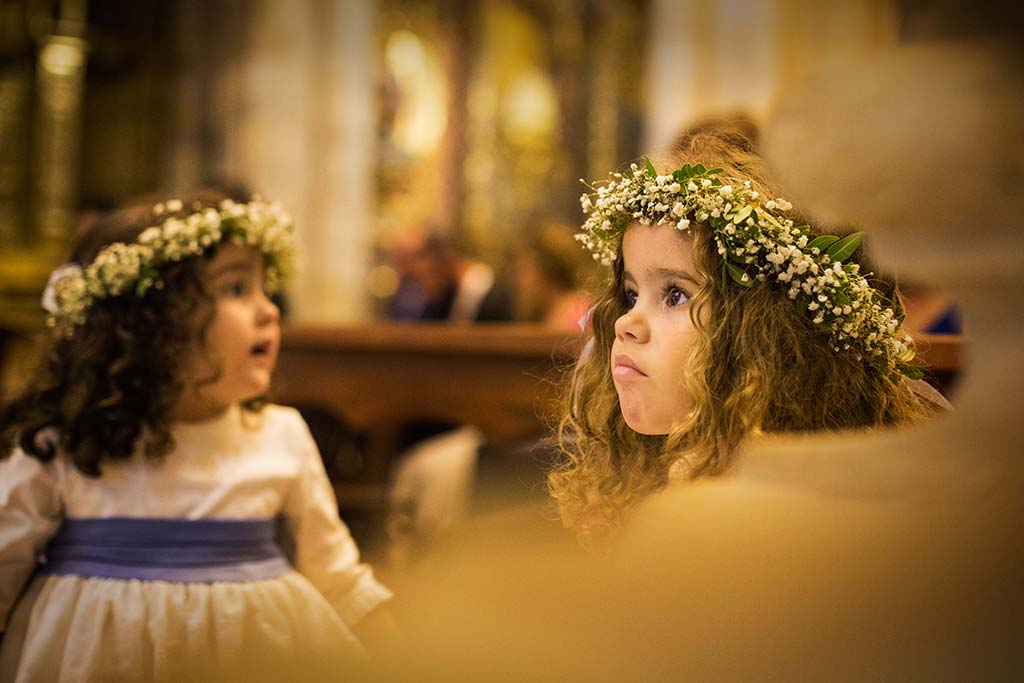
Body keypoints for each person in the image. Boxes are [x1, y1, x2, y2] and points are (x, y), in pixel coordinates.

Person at [0, 192, 396, 680]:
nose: (269, 310)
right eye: (235, 288)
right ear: (149, 323)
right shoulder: (66, 444)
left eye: (264, 288)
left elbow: (339, 580)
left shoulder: (280, 435)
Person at [547, 131, 933, 546]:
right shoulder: (662, 487)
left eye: (675, 295)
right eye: (631, 294)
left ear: (769, 341)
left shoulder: (764, 523)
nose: (626, 324)